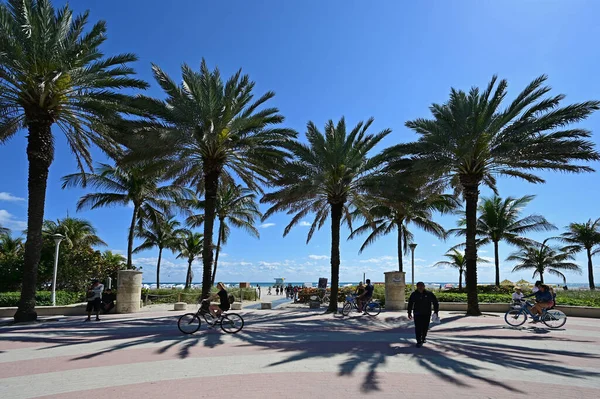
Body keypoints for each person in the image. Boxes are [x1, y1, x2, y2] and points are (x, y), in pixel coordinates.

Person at [407, 281, 439, 347]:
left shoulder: (429, 294)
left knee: (425, 327)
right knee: (418, 327)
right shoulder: (414, 294)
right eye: (419, 286)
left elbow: (435, 302)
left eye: (422, 286)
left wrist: (436, 312)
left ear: (424, 286)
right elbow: (410, 304)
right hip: (417, 313)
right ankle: (419, 341)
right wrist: (409, 312)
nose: (421, 287)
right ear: (417, 287)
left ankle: (423, 337)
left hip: (426, 313)